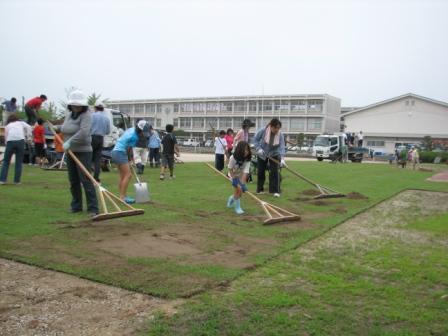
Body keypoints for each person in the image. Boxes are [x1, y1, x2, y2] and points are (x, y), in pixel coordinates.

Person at [61, 90, 99, 216]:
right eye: (74, 104)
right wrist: (54, 127)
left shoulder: (87, 115)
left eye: (78, 104)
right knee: (73, 180)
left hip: (83, 152)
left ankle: (93, 208)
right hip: (70, 152)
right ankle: (76, 206)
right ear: (70, 105)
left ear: (83, 105)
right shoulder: (69, 115)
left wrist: (69, 142)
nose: (76, 106)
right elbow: (65, 128)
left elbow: (83, 132)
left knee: (86, 180)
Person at [111, 119, 149, 203]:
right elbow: (129, 149)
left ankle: (121, 195)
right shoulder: (134, 136)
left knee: (122, 176)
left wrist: (130, 160)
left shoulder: (131, 129)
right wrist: (130, 160)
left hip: (115, 152)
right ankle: (123, 197)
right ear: (140, 129)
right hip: (120, 153)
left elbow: (127, 146)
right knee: (128, 175)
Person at [253, 118, 286, 197]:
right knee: (261, 171)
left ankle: (275, 191)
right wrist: (259, 149)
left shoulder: (280, 135)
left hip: (274, 154)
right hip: (262, 153)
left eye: (278, 128)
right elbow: (255, 140)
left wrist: (282, 159)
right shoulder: (263, 131)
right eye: (275, 128)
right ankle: (260, 190)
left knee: (274, 172)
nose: (277, 130)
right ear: (271, 126)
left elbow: (282, 147)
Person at [0, 114, 32, 185]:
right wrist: (28, 136)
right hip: (20, 141)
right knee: (19, 162)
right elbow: (29, 127)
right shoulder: (21, 123)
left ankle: (2, 180)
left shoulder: (8, 126)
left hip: (10, 141)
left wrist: (7, 144)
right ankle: (17, 181)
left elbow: (6, 136)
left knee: (6, 161)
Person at [227, 141, 252, 214]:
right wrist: (235, 181)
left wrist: (242, 184)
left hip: (241, 175)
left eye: (247, 150)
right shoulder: (233, 158)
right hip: (232, 175)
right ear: (239, 150)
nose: (246, 152)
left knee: (240, 192)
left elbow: (245, 172)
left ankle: (231, 199)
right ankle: (238, 208)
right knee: (237, 190)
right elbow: (230, 169)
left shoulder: (247, 159)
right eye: (244, 150)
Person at [90, 101, 110, 182]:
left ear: (95, 108)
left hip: (92, 137)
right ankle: (96, 177)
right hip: (101, 138)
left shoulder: (92, 116)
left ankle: (87, 176)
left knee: (88, 157)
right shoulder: (106, 118)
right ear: (103, 109)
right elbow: (108, 131)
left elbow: (88, 127)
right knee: (97, 159)